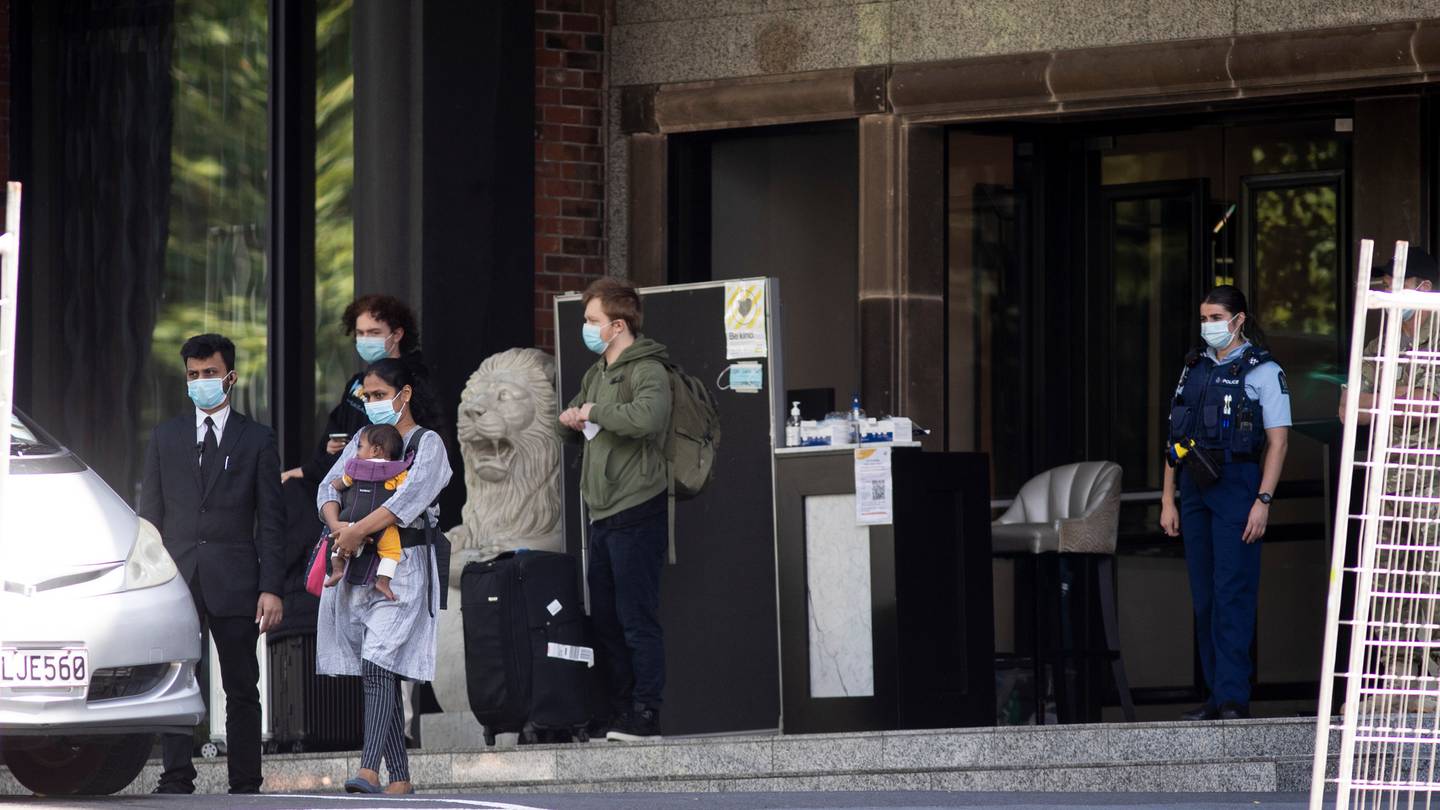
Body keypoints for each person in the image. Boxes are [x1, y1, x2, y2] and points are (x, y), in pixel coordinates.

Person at [138, 333, 285, 794]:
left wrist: (272, 586)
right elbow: (151, 518)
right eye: (194, 375)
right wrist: (149, 581)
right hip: (177, 578)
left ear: (231, 377)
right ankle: (176, 774)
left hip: (237, 579)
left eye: (210, 373)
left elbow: (272, 522)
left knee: (241, 683)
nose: (201, 381)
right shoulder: (165, 437)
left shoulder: (258, 438)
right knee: (177, 678)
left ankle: (245, 782)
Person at [316, 358, 450, 794]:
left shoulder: (427, 445)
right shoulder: (361, 439)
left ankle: (369, 769)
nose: (371, 404)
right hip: (356, 563)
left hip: (403, 566)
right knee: (380, 668)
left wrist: (355, 530)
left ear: (404, 394)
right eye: (366, 397)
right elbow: (327, 488)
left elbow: (405, 502)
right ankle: (403, 778)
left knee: (377, 662)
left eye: (378, 395)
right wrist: (341, 530)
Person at [1160, 287, 1290, 721]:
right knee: (1204, 597)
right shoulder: (1193, 367)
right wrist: (1167, 500)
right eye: (1203, 317)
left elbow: (1278, 442)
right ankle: (1216, 696)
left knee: (1231, 591)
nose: (1208, 325)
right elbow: (1174, 439)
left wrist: (1263, 500)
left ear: (1238, 320)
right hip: (1195, 484)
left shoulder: (1263, 370)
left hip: (1238, 483)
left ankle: (1234, 697)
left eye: (1215, 316)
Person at [558, 277, 673, 741]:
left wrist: (593, 412)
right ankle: (618, 708)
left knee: (635, 616)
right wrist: (570, 419)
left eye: (592, 320)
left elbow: (648, 418)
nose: (586, 328)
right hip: (600, 512)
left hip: (636, 506)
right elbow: (571, 421)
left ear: (618, 324)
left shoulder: (648, 369)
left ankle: (646, 712)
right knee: (605, 617)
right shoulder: (596, 372)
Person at [1342, 246, 1440, 707]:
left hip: (1430, 480)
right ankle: (1402, 678)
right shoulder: (1379, 344)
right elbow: (1347, 411)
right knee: (1385, 578)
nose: (1384, 290)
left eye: (1391, 281)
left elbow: (1428, 405)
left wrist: (1382, 396)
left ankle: (1433, 676)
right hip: (1389, 478)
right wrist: (1401, 394)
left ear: (1423, 287)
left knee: (1428, 576)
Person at [326, 423, 409, 601]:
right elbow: (405, 493)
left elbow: (341, 483)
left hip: (350, 519)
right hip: (382, 525)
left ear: (375, 450)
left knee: (338, 539)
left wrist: (332, 486)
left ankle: (337, 569)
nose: (356, 452)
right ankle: (383, 581)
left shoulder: (355, 467)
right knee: (392, 552)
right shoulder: (397, 471)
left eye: (360, 446)